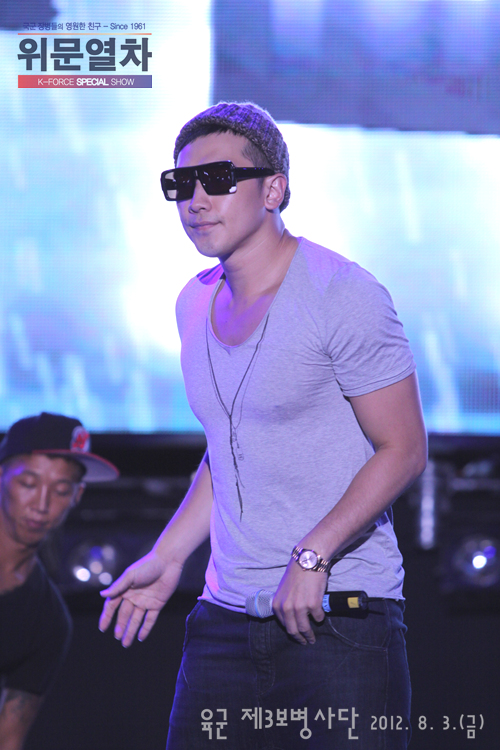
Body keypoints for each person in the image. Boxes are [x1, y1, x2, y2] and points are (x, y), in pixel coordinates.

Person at [99, 102, 427, 748]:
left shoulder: (342, 293)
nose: (196, 200)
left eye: (219, 179)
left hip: (338, 615)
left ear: (273, 190)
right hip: (223, 621)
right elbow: (228, 448)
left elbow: (404, 449)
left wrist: (313, 553)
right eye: (181, 183)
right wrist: (169, 556)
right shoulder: (193, 300)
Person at [0, 412, 119, 750]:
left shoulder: (47, 619)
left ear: (77, 496)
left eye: (61, 490)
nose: (42, 504)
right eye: (28, 483)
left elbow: (8, 738)